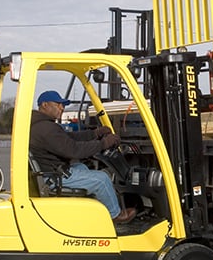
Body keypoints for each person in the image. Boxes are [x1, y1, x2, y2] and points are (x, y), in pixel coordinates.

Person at [29, 90, 136, 224]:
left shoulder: (43, 125)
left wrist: (95, 133)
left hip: (51, 171)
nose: (62, 108)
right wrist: (104, 143)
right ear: (44, 105)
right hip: (53, 177)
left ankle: (94, 209)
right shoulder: (46, 129)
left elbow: (69, 138)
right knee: (102, 179)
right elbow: (74, 150)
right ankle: (116, 215)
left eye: (62, 105)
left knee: (82, 167)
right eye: (58, 104)